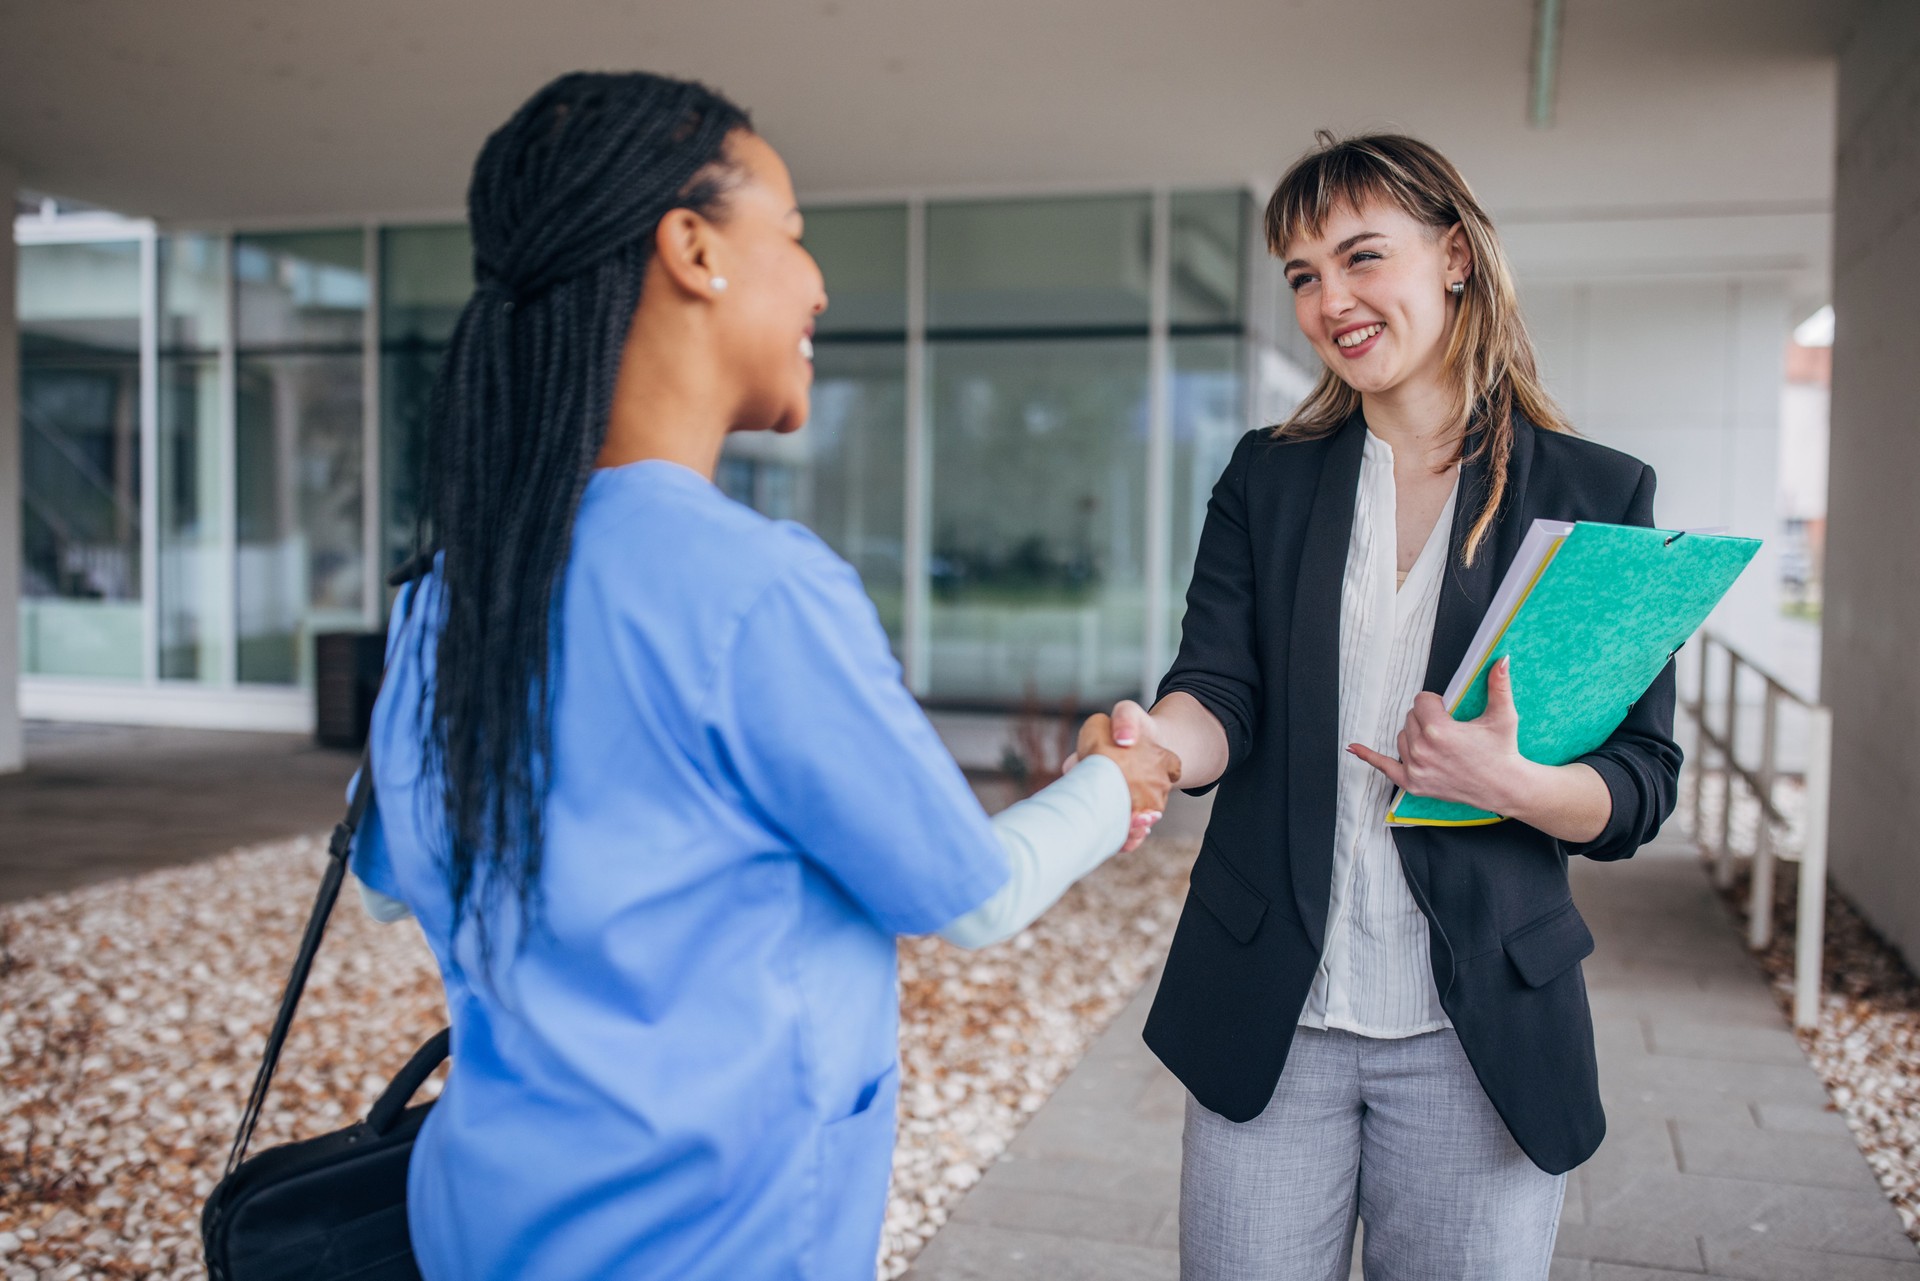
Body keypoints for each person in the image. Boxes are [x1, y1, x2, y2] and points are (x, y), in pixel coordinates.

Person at [347, 72, 1179, 1281]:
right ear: (692, 249)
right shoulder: (751, 590)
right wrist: (1118, 782)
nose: (818, 284)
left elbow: (389, 884)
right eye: (789, 237)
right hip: (709, 1243)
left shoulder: (441, 597)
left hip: (476, 1224)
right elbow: (972, 895)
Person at [1090, 133, 1682, 1279]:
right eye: (1303, 276)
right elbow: (1218, 689)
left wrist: (1507, 784)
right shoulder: (1268, 477)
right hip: (1273, 1013)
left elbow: (1641, 783)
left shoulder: (1596, 495)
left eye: (1362, 258)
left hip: (1481, 1036)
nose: (1330, 301)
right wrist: (1154, 744)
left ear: (1455, 257)